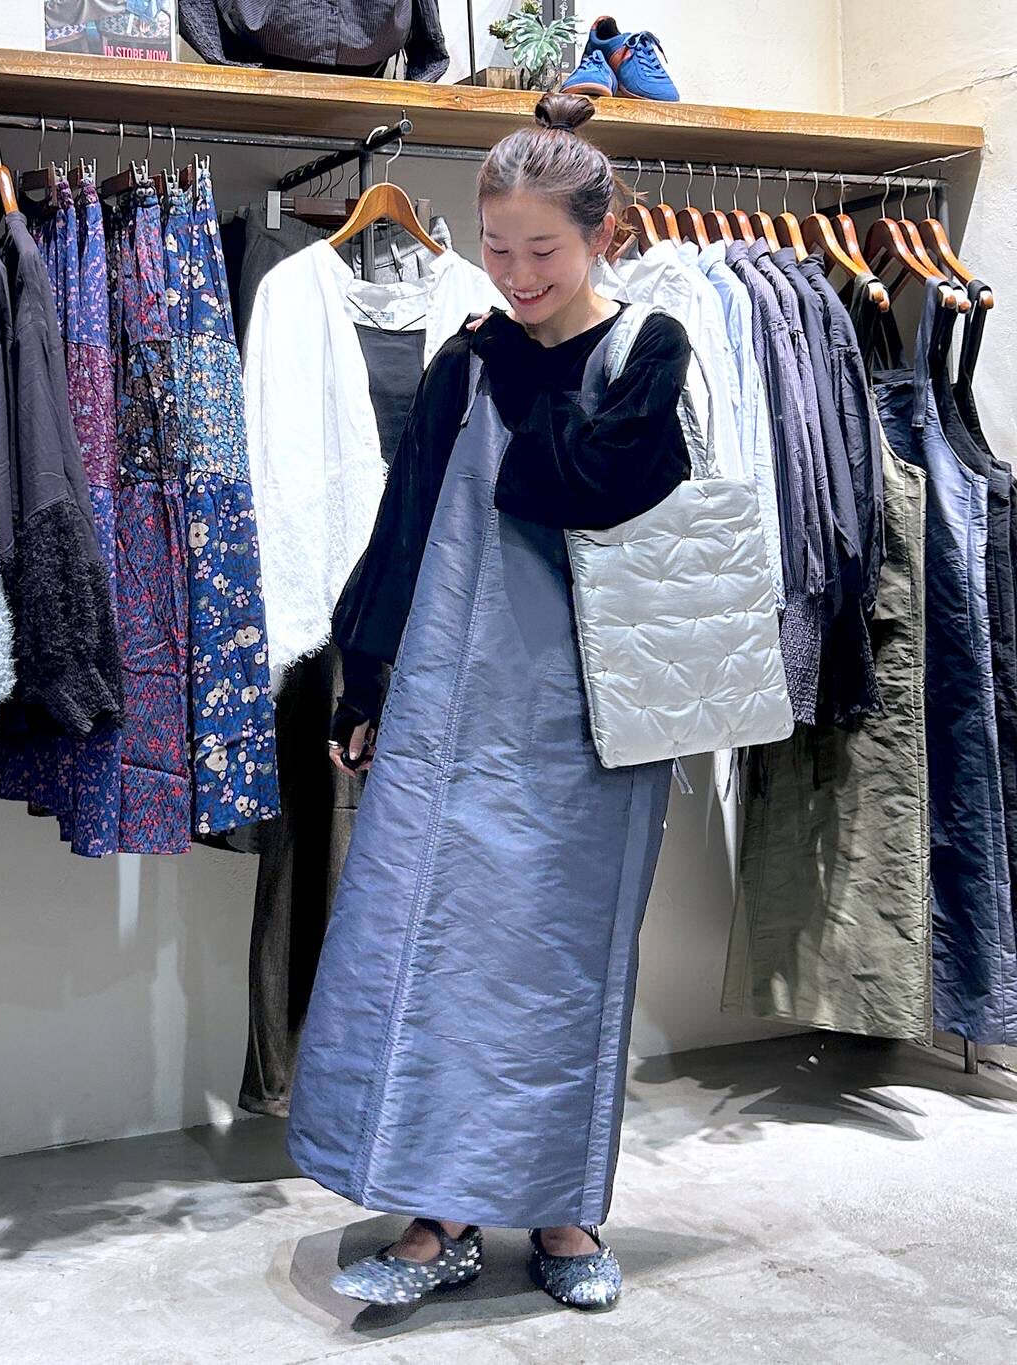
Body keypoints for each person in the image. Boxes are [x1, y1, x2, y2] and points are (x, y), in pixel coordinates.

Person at [286, 91, 692, 1312]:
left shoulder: (647, 349)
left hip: (592, 727)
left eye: (543, 250)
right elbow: (405, 523)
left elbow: (590, 486)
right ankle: (442, 1215)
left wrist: (514, 361)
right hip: (451, 714)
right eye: (498, 246)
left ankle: (562, 1212)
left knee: (562, 968)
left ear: (603, 236)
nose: (515, 274)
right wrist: (364, 680)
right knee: (435, 954)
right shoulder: (464, 360)